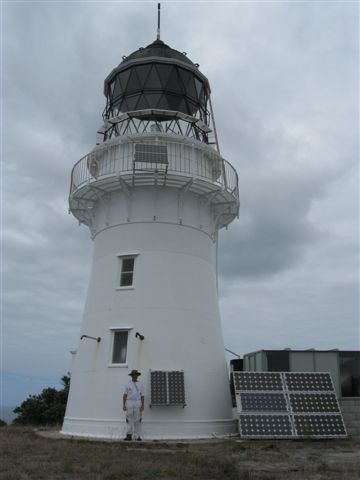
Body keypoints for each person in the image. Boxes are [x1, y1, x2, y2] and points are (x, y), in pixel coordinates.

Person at [123, 369, 145, 441]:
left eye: (136, 375)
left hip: (137, 402)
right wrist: (124, 404)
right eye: (133, 375)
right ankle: (129, 435)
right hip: (129, 402)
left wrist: (142, 405)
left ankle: (137, 436)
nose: (135, 376)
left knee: (137, 419)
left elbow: (142, 395)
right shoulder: (127, 384)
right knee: (129, 419)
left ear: (137, 376)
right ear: (131, 376)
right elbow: (125, 395)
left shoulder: (141, 384)